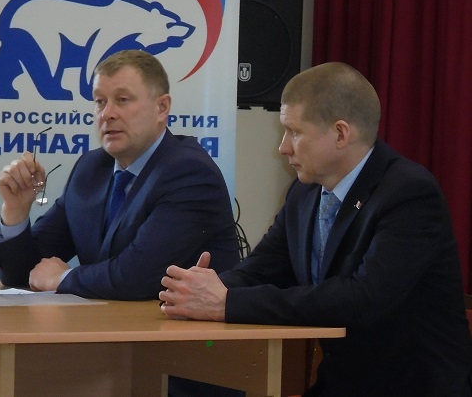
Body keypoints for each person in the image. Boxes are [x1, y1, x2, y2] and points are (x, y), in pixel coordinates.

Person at [160, 62, 472, 397]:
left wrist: (227, 303)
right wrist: (202, 290)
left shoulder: (409, 193)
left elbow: (362, 299)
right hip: (341, 384)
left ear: (340, 134)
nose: (283, 147)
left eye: (294, 132)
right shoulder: (304, 193)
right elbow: (262, 269)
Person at [0, 49, 239, 301]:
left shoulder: (189, 173)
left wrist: (62, 278)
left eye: (123, 100)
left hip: (180, 327)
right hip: (110, 324)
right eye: (100, 101)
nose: (107, 114)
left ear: (162, 108)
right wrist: (15, 211)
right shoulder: (90, 169)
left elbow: (138, 277)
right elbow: (23, 274)